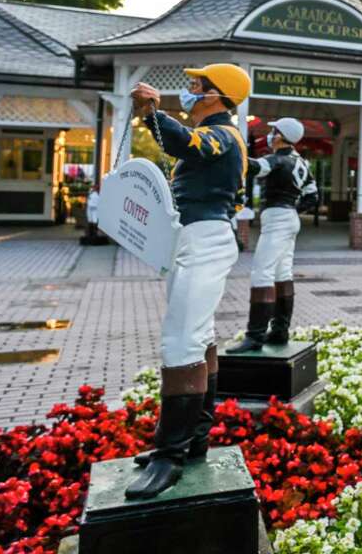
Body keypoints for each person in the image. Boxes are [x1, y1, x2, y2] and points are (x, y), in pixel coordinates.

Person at [126, 63, 250, 500]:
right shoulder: (221, 132)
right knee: (199, 337)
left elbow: (191, 143)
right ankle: (194, 439)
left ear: (216, 96)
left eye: (196, 87)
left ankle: (170, 455)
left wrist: (154, 114)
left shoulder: (224, 133)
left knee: (181, 340)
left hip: (205, 238)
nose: (189, 91)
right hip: (195, 237)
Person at [227, 118, 314, 353]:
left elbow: (254, 167)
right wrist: (293, 211)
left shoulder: (277, 160)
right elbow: (312, 196)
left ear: (280, 136)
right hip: (288, 218)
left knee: (261, 273)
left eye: (273, 131)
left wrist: (234, 152)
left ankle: (254, 336)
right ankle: (279, 330)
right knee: (282, 273)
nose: (269, 134)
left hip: (276, 217)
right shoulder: (302, 163)